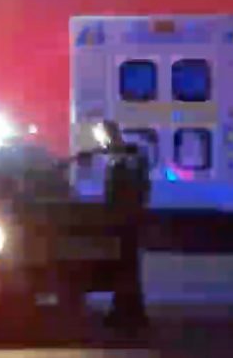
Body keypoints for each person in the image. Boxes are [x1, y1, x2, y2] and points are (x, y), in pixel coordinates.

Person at [100, 119, 151, 330]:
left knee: (125, 266)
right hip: (129, 219)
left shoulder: (123, 160)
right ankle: (129, 310)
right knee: (127, 267)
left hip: (125, 220)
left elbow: (121, 192)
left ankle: (126, 311)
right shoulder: (129, 157)